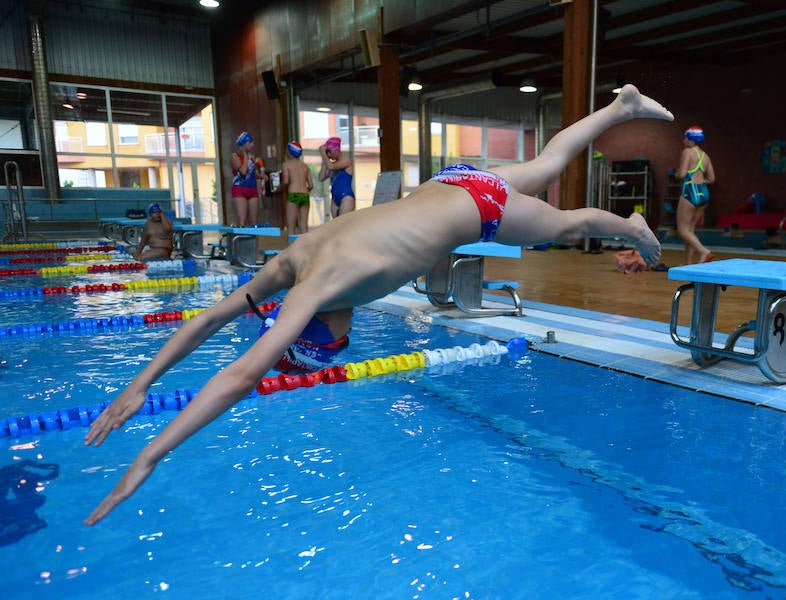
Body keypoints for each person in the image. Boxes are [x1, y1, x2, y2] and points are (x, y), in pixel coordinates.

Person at [83, 84, 672, 526]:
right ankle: (619, 108)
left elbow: (241, 375)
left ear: (325, 331)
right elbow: (212, 317)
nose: (347, 335)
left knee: (571, 222)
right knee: (546, 163)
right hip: (450, 182)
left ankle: (634, 228)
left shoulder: (319, 288)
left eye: (338, 342)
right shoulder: (295, 259)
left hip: (478, 209)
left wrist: (153, 455)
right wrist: (140, 383)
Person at [675, 126, 716, 264]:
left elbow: (682, 174)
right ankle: (687, 263)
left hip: (690, 191)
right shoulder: (706, 156)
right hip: (703, 192)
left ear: (691, 139)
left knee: (682, 230)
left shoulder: (687, 152)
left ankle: (704, 251)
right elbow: (712, 179)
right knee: (690, 230)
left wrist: (676, 173)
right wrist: (700, 180)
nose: (684, 140)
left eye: (686, 137)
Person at [281, 141, 316, 236]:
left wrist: (279, 188)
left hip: (294, 194)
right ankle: (306, 249)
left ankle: (290, 250)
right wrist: (305, 190)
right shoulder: (305, 166)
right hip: (305, 195)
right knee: (304, 226)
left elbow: (286, 181)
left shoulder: (286, 165)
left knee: (291, 228)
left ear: (289, 152)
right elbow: (311, 185)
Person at [318, 136, 355, 218]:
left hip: (346, 197)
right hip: (335, 198)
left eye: (329, 152)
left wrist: (323, 154)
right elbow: (321, 178)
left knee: (343, 225)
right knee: (336, 227)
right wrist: (325, 158)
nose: (329, 155)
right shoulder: (332, 164)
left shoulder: (346, 161)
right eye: (327, 152)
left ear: (336, 149)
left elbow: (331, 167)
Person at [230, 131, 261, 226]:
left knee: (254, 223)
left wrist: (262, 176)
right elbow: (243, 172)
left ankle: (255, 241)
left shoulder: (252, 157)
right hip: (239, 190)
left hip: (252, 189)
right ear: (243, 143)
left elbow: (253, 173)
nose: (253, 144)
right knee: (242, 222)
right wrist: (245, 156)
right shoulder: (234, 157)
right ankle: (242, 240)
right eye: (250, 142)